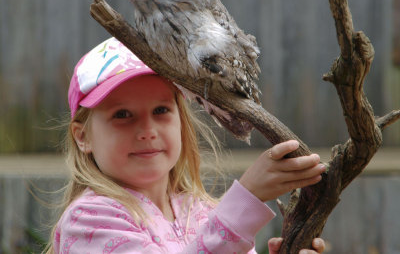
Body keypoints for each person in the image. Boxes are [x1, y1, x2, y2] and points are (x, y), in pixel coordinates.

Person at [46, 37, 326, 254]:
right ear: (83, 137)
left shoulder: (202, 210)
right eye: (122, 115)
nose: (147, 130)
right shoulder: (89, 220)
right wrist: (245, 202)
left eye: (160, 110)